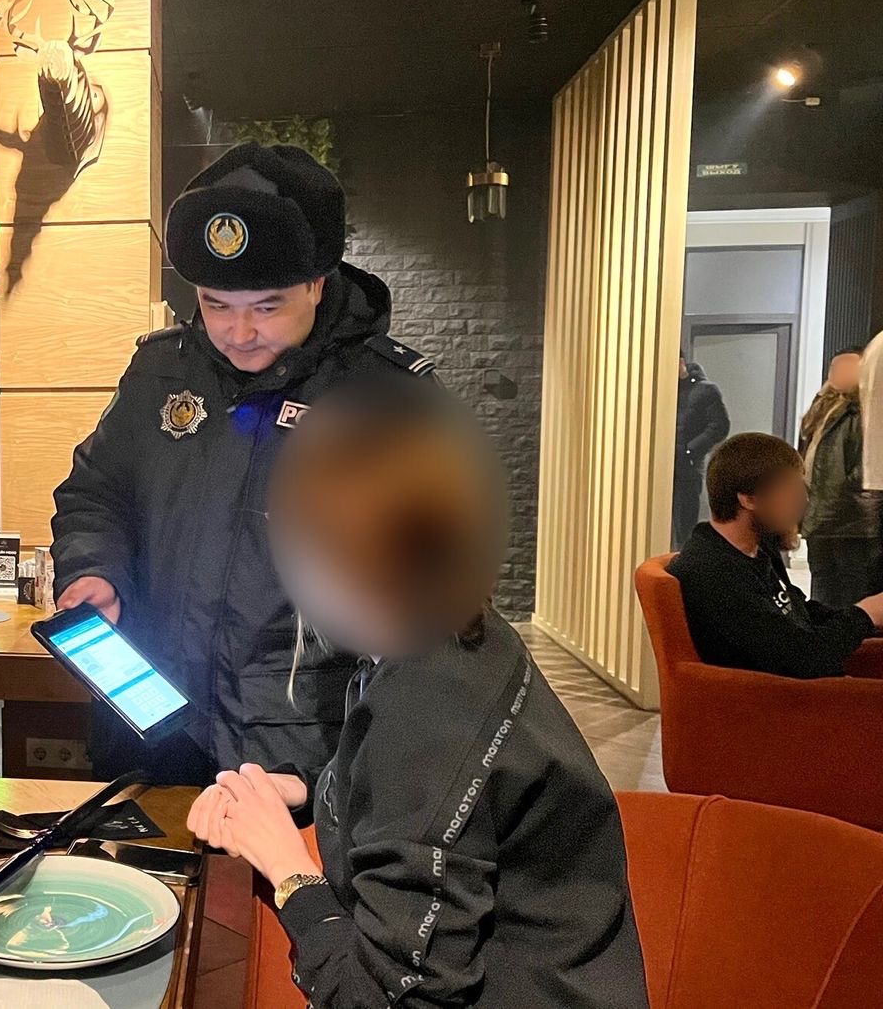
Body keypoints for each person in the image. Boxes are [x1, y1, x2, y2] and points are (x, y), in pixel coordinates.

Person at [188, 383, 648, 1008]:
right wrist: (308, 787)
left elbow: (384, 998)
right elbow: (427, 793)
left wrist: (286, 865)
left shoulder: (427, 708)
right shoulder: (456, 630)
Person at [51, 141, 435, 785]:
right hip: (148, 725)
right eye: (216, 304)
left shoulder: (388, 399)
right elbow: (97, 493)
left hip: (299, 750)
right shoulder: (160, 371)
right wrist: (95, 570)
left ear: (318, 282)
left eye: (266, 306)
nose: (238, 332)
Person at [669, 432, 883, 678]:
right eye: (790, 490)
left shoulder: (756, 550)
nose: (803, 499)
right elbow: (805, 661)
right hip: (770, 696)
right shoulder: (712, 572)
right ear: (749, 499)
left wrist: (869, 617)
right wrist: (865, 614)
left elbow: (798, 612)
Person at [799, 346, 880, 605]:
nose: (838, 373)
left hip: (852, 520)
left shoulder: (867, 411)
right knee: (822, 588)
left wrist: (845, 495)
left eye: (848, 367)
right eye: (835, 367)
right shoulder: (823, 406)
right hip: (820, 515)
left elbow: (868, 465)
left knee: (853, 591)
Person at [673, 356, 730, 548]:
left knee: (683, 527)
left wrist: (690, 451)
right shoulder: (659, 389)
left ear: (681, 362)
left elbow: (720, 426)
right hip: (661, 466)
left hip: (687, 469)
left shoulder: (705, 390)